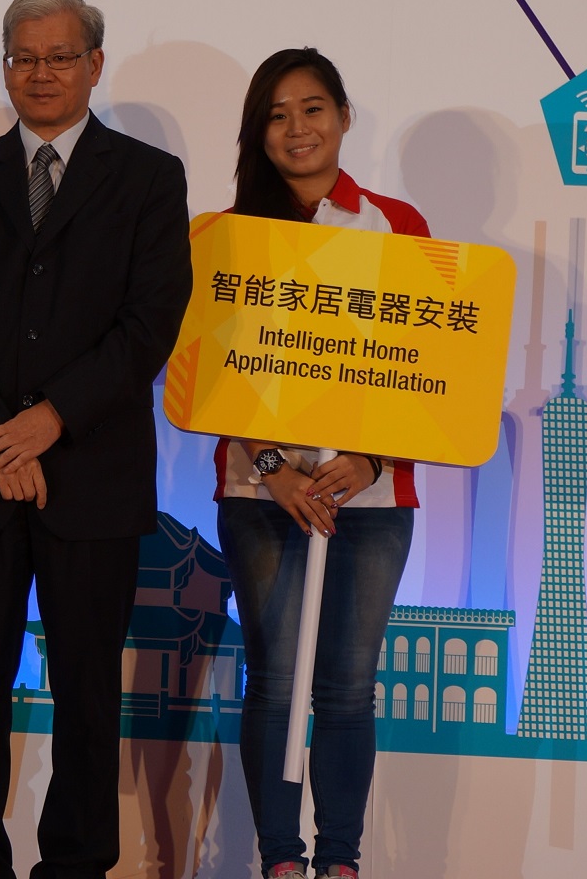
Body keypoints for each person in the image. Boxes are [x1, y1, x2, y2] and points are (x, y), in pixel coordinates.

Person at [0, 0, 192, 879]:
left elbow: (150, 323)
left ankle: (75, 864)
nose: (41, 73)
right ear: (5, 67)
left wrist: (50, 419)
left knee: (86, 690)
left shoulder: (149, 178)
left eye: (60, 57)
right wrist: (0, 438)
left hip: (93, 473)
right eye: (23, 58)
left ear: (94, 65)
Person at [216, 47, 426, 879]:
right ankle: (279, 860)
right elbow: (208, 368)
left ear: (342, 116)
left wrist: (372, 458)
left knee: (345, 686)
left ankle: (339, 860)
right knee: (272, 681)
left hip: (368, 498)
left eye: (310, 109)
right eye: (275, 115)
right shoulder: (231, 233)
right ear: (256, 133)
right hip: (259, 491)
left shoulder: (394, 224)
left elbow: (427, 365)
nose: (296, 129)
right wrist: (273, 466)